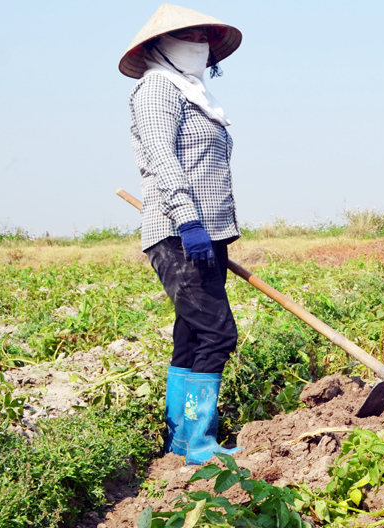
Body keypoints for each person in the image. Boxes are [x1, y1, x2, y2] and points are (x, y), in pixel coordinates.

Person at [119, 4, 244, 466]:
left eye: (202, 35)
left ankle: (180, 440)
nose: (198, 43)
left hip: (204, 234)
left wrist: (208, 232)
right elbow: (162, 156)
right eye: (187, 35)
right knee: (218, 335)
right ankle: (198, 441)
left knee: (192, 336)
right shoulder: (155, 88)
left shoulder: (194, 93)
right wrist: (188, 220)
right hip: (178, 232)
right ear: (160, 45)